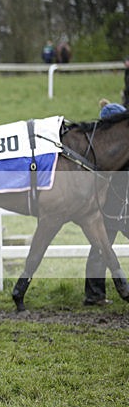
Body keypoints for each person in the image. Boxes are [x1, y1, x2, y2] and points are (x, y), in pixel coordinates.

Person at [83, 99, 128, 306]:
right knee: (101, 248)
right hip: (111, 208)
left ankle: (94, 294)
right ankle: (94, 295)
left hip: (118, 207)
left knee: (100, 249)